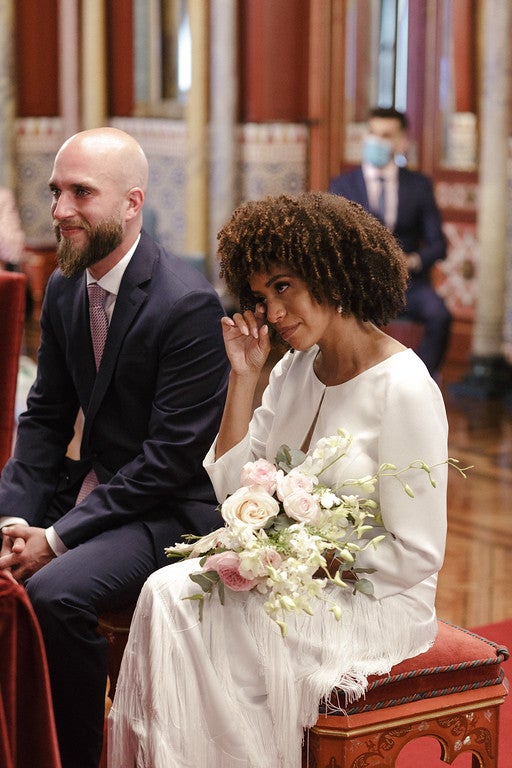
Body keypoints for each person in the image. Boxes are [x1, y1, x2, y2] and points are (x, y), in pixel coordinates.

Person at [109, 192, 449, 768]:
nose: (272, 312)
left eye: (284, 287)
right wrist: (243, 376)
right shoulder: (292, 369)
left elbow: (418, 553)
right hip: (295, 581)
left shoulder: (405, 388)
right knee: (167, 593)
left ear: (332, 272)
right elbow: (233, 494)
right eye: (261, 296)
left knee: (197, 612)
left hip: (375, 600)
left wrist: (305, 561)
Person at [0, 127, 229, 768]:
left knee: (54, 593)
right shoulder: (70, 285)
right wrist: (15, 519)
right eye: (55, 192)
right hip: (96, 486)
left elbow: (168, 461)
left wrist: (59, 537)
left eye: (81, 193)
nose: (61, 210)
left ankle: (72, 755)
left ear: (132, 203)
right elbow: (44, 418)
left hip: (166, 510)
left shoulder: (186, 305)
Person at [329, 107, 452, 378]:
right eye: (372, 133)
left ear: (401, 142)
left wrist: (413, 261)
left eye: (385, 135)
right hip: (360, 285)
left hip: (409, 284)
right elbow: (331, 244)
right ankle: (358, 381)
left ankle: (418, 381)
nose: (376, 141)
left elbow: (438, 245)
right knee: (341, 319)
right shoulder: (341, 186)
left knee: (439, 315)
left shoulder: (419, 186)